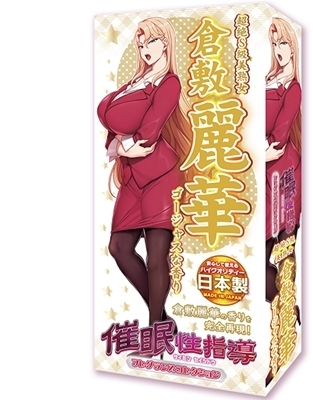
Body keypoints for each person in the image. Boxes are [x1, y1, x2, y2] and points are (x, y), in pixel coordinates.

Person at [97, 17, 195, 351]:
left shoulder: (169, 83)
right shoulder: (135, 82)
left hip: (161, 177)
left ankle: (154, 330)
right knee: (119, 248)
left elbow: (148, 137)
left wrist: (119, 144)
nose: (145, 49)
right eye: (140, 44)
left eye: (151, 42)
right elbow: (116, 135)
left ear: (165, 42)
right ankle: (164, 320)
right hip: (131, 179)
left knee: (156, 258)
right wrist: (119, 144)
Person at [265, 17, 302, 384]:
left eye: (284, 44)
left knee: (282, 257)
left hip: (282, 174)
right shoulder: (266, 80)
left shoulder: (293, 87)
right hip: (259, 176)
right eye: (274, 44)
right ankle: (286, 314)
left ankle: (281, 351)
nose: (278, 51)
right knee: (263, 262)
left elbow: (277, 139)